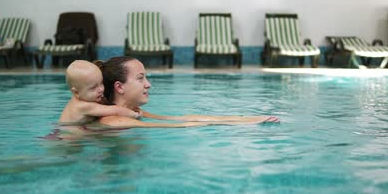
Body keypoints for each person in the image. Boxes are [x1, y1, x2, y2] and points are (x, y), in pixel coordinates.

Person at [95, 57, 280, 128]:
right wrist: (244, 125)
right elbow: (179, 126)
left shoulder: (134, 111)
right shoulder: (114, 121)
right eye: (141, 78)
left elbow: (179, 118)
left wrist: (246, 119)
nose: (148, 84)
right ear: (119, 87)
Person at [59, 60, 141, 125]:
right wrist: (135, 115)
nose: (101, 89)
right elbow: (116, 110)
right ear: (76, 92)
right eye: (93, 87)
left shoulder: (84, 97)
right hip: (66, 140)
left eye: (101, 83)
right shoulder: (83, 106)